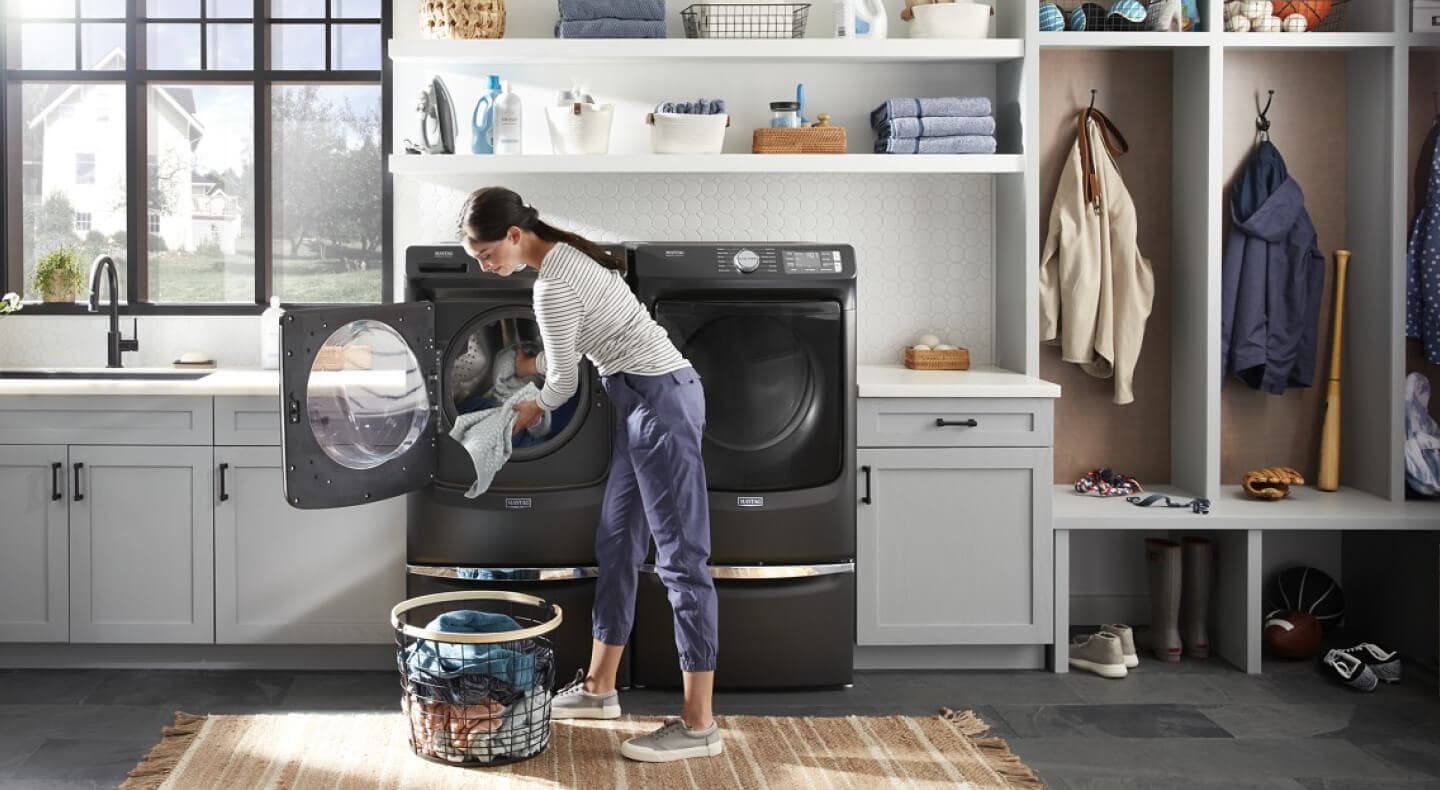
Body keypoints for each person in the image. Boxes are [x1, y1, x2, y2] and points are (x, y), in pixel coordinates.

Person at [457, 187, 721, 763]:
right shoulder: (564, 258)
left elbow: (563, 386)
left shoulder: (551, 283)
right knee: (619, 539)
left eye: (484, 253)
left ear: (513, 236)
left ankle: (700, 725)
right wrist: (534, 374)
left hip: (661, 405)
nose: (483, 264)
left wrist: (527, 406)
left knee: (681, 560)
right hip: (640, 400)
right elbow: (570, 352)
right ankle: (600, 689)